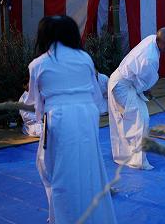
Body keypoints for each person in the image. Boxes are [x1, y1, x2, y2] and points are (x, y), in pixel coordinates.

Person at [26, 15, 117, 224]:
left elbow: (34, 102)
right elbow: (94, 95)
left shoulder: (38, 65)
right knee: (89, 166)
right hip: (86, 116)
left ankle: (62, 217)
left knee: (55, 170)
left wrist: (44, 113)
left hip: (59, 119)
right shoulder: (85, 59)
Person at [108, 28, 165, 169]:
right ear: (159, 41)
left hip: (125, 83)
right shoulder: (150, 58)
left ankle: (129, 153)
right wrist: (145, 89)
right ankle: (137, 160)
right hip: (121, 86)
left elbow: (141, 80)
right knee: (140, 119)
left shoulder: (152, 38)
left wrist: (144, 88)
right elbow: (142, 84)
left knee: (136, 117)